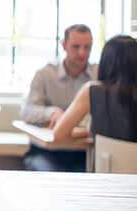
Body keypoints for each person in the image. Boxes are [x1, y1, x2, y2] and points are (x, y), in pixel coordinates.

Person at [54, 35, 137, 143]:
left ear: (106, 62)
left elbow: (59, 134)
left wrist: (89, 132)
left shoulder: (92, 91)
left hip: (104, 167)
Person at [20, 24, 97, 172]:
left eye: (87, 47)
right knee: (50, 176)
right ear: (64, 45)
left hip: (85, 153)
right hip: (46, 153)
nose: (82, 53)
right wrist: (51, 112)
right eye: (76, 47)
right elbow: (26, 111)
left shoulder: (98, 74)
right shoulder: (45, 74)